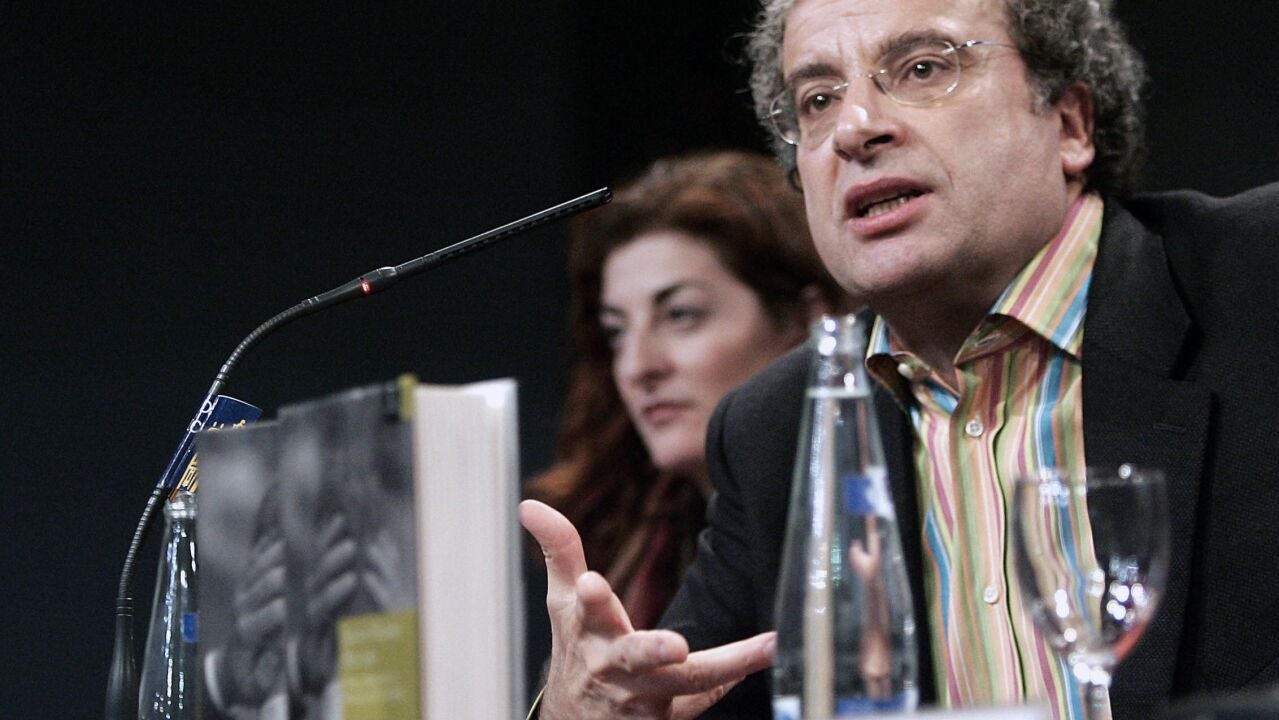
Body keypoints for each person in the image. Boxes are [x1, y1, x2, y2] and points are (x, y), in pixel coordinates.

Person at [520, 0, 1279, 719]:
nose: (854, 129)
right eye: (817, 100)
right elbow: (666, 696)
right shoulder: (774, 430)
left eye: (923, 68)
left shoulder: (1258, 281)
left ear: (1070, 122)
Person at [526, 149, 851, 632]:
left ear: (809, 320)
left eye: (681, 315)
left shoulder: (867, 516)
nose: (638, 367)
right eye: (617, 332)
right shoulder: (624, 545)